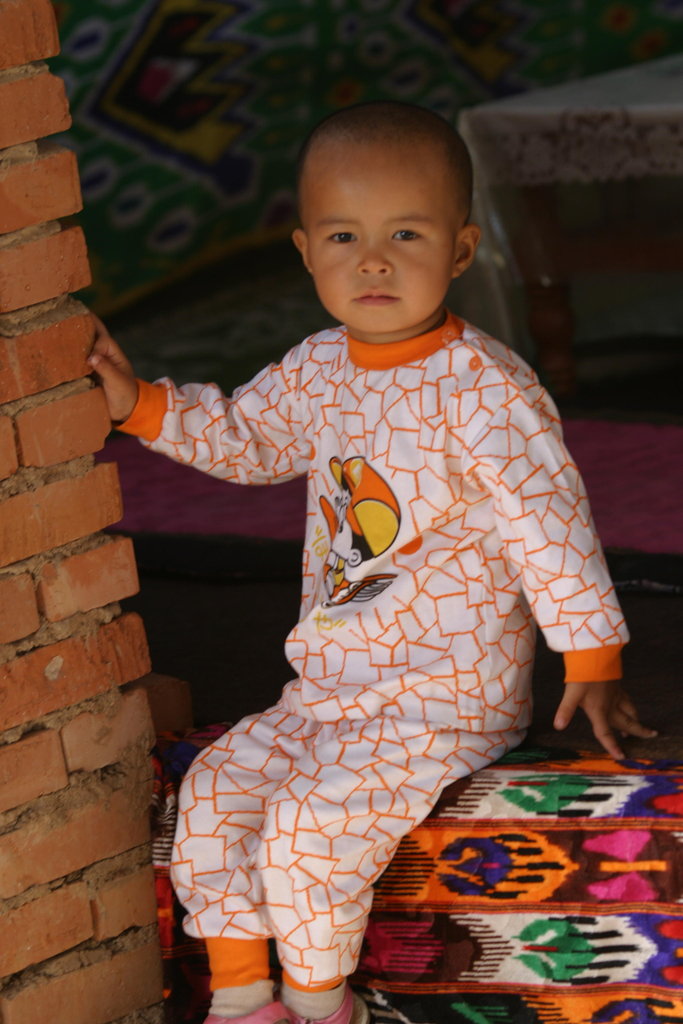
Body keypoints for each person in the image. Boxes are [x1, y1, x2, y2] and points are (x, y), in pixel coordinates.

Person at [89, 101, 655, 1024]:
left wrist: (591, 657)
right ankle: (242, 1000)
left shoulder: (486, 389)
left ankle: (324, 1007)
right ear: (306, 253)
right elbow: (246, 438)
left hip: (443, 693)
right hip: (329, 685)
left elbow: (546, 521)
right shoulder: (320, 366)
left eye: (406, 234)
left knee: (308, 831)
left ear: (461, 251)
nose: (374, 261)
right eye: (344, 236)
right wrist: (138, 406)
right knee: (213, 797)